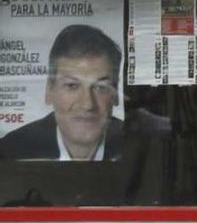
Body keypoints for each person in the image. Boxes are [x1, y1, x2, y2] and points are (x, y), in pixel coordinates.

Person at [0, 25, 123, 161]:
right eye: (72, 86)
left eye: (100, 87)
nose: (88, 105)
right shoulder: (9, 151)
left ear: (116, 93)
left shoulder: (142, 148)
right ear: (49, 91)